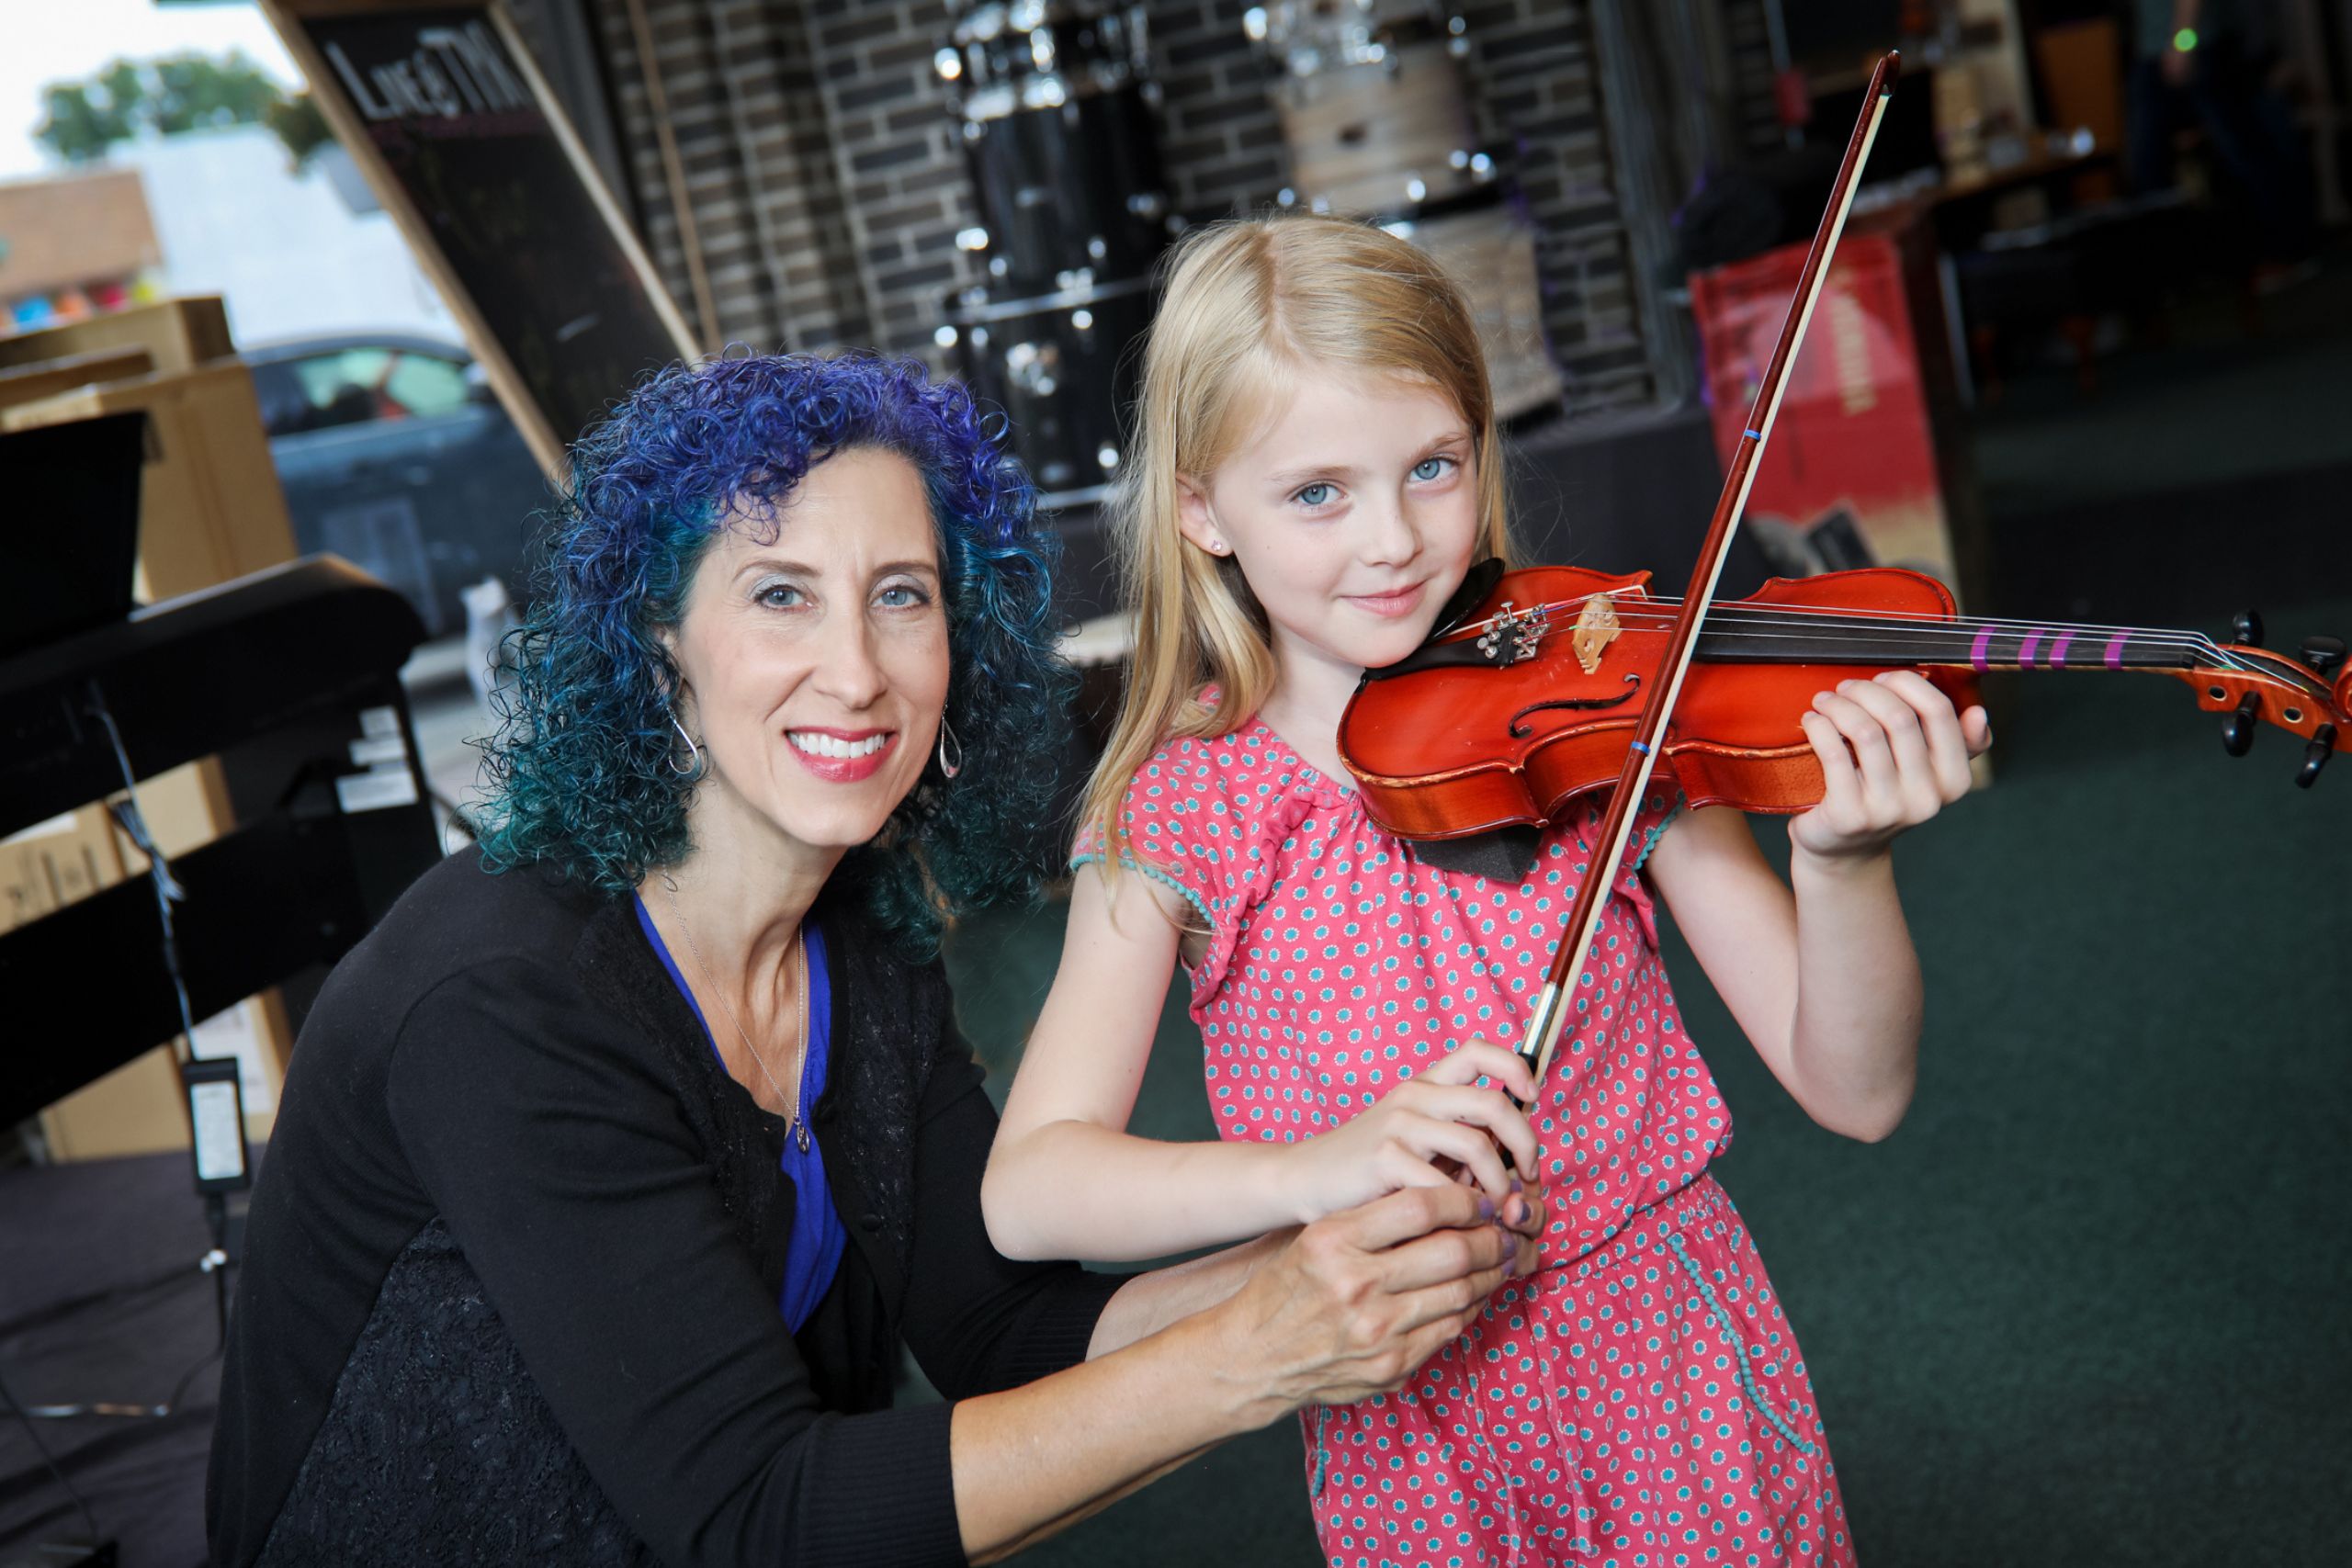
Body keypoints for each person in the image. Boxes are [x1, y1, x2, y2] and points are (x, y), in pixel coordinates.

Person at [205, 351, 1544, 1568]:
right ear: (659, 637)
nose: (855, 672)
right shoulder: (502, 1002)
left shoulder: (860, 934)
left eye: (899, 596)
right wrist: (1263, 1351)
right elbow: (757, 1518)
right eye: (781, 596)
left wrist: (1348, 1255)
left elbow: (1002, 1335)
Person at [982, 216, 1994, 1567]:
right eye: (1317, 493)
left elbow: (1857, 1092)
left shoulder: (1601, 726)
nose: (1395, 540)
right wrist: (1313, 1171)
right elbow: (1033, 1190)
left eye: (1433, 466)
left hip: (1669, 1371)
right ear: (1201, 509)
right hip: (1413, 1420)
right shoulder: (1186, 808)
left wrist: (1843, 864)